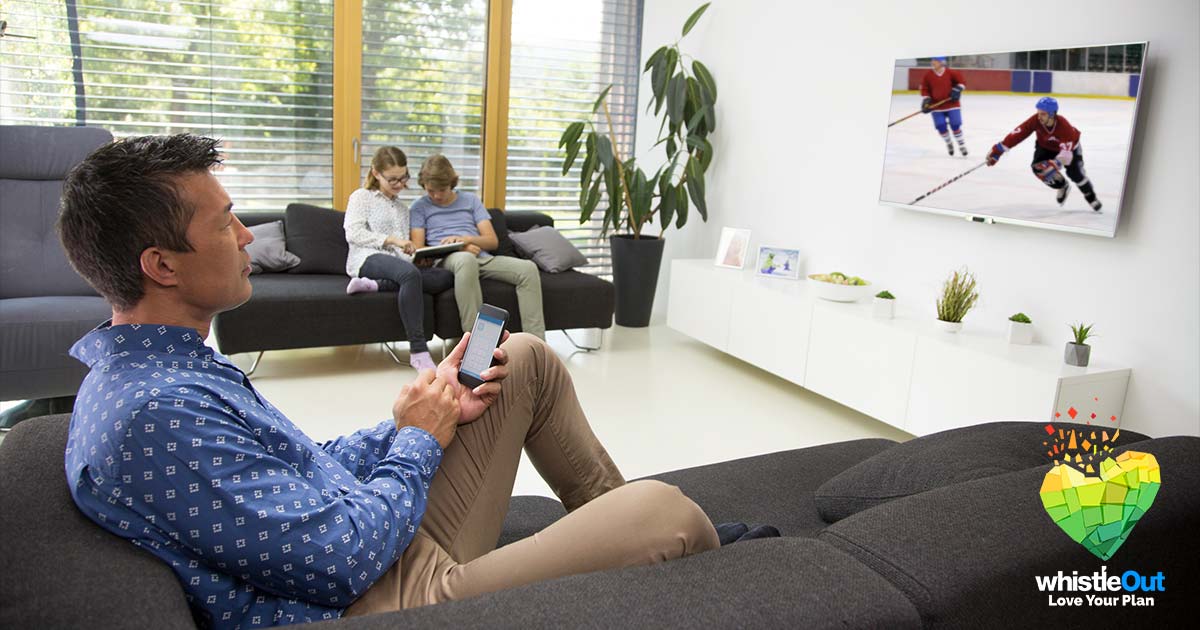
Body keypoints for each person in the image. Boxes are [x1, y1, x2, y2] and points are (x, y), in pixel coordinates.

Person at [56, 134, 721, 629]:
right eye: (222, 221)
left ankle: (625, 555)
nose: (244, 234)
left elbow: (301, 473)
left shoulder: (170, 367)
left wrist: (410, 420)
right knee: (667, 514)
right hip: (375, 601)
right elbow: (338, 563)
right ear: (161, 266)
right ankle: (729, 578)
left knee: (521, 360)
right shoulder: (157, 414)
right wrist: (417, 444)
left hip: (377, 546)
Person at [409, 155, 546, 339]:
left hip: (480, 256)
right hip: (449, 260)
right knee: (465, 260)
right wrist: (457, 249)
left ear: (452, 182)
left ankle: (536, 344)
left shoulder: (470, 200)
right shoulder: (419, 207)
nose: (436, 196)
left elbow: (491, 241)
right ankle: (476, 344)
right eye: (430, 190)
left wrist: (465, 240)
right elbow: (419, 249)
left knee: (528, 269)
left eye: (442, 189)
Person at [343, 146, 453, 370]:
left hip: (397, 266)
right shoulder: (362, 197)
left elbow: (403, 252)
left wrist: (417, 255)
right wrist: (392, 240)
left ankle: (375, 286)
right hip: (368, 257)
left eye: (403, 178)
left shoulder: (403, 209)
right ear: (376, 173)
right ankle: (419, 351)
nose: (400, 184)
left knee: (445, 277)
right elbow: (353, 234)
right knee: (410, 275)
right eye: (393, 179)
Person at [986, 97, 1103, 211]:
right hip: (1045, 147)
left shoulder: (1064, 126)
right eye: (1038, 112)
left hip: (1070, 150)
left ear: (1052, 114)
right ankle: (1062, 186)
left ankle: (1091, 197)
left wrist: (1056, 163)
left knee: (1076, 174)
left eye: (1043, 114)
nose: (1039, 116)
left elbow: (1066, 155)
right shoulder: (1035, 120)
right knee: (1039, 169)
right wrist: (998, 150)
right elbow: (1019, 133)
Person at [920, 56, 968, 157]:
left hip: (952, 104)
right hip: (936, 106)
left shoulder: (951, 73)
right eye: (932, 60)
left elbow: (962, 82)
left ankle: (961, 145)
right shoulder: (928, 75)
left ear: (942, 62)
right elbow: (924, 88)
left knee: (955, 124)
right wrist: (926, 99)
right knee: (941, 126)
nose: (933, 62)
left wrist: (957, 89)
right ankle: (949, 143)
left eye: (935, 61)